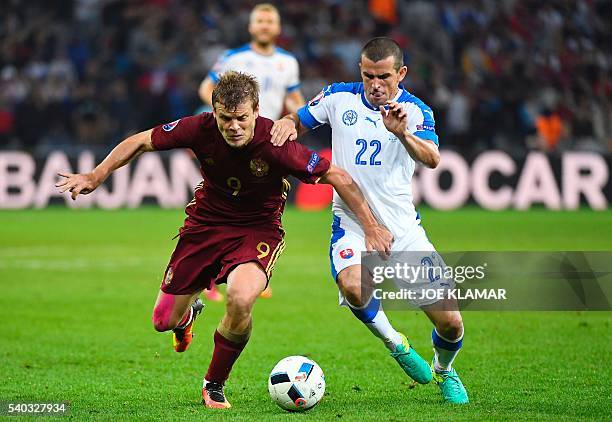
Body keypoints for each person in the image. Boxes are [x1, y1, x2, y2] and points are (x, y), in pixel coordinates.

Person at [56, 71, 392, 409]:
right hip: (205, 226)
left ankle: (213, 383)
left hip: (257, 231)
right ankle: (187, 316)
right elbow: (140, 141)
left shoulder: (275, 144)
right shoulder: (199, 128)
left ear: (256, 111)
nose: (233, 126)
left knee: (241, 299)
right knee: (162, 322)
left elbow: (337, 175)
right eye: (225, 118)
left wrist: (371, 226)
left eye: (242, 118)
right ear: (213, 112)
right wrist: (95, 176)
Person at [270, 37, 469, 404]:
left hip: (404, 231)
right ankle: (396, 343)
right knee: (352, 285)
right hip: (352, 223)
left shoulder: (416, 110)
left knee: (451, 322)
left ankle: (445, 370)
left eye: (384, 77)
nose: (375, 85)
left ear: (401, 74)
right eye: (368, 76)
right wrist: (286, 122)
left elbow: (432, 158)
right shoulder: (338, 98)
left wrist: (401, 133)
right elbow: (299, 119)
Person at [199, 3, 305, 300]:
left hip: (267, 143)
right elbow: (206, 88)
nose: (264, 25)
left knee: (265, 205)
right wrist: (223, 116)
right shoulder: (234, 58)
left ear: (278, 27)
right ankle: (208, 276)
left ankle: (255, 268)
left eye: (270, 21)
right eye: (260, 20)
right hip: (233, 142)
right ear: (250, 26)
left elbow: (295, 97)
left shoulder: (289, 62)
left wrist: (300, 120)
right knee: (220, 204)